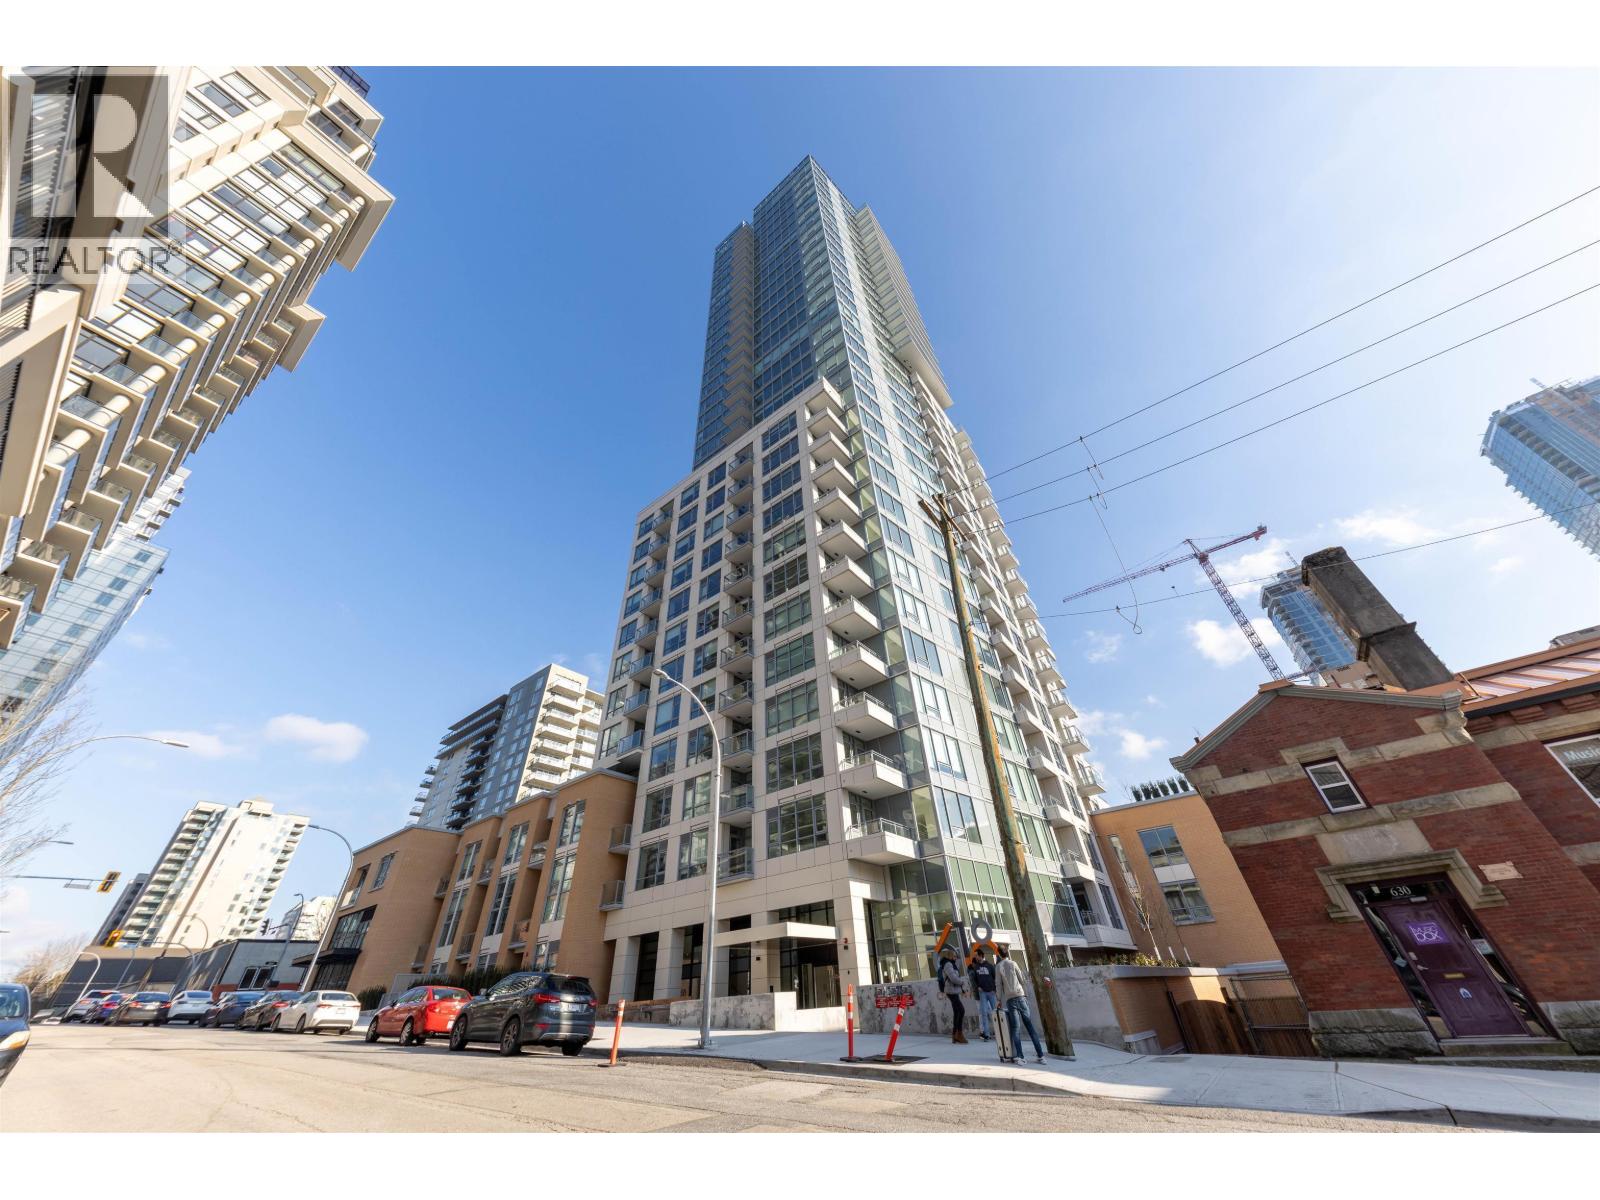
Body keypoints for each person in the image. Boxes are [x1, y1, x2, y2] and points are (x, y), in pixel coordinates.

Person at [994, 945, 1046, 1063]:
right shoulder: (1014, 963)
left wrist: (998, 1000)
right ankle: (1041, 1056)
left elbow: (998, 985)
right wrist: (1025, 995)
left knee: (1015, 1029)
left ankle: (1021, 1057)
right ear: (1007, 953)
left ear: (999, 954)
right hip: (1021, 996)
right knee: (1030, 1026)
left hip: (1010, 999)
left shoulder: (998, 967)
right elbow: (1022, 980)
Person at [937, 946, 968, 1044]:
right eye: (954, 956)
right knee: (961, 1010)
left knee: (957, 1012)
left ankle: (955, 1035)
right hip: (951, 991)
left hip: (954, 990)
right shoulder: (948, 964)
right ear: (950, 956)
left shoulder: (951, 964)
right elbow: (953, 978)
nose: (955, 958)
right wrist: (962, 982)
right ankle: (959, 1034)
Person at [968, 946, 999, 1042]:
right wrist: (978, 986)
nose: (975, 957)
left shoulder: (989, 966)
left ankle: (999, 1033)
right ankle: (986, 1034)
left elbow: (995, 977)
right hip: (982, 993)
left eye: (976, 955)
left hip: (991, 992)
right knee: (984, 1013)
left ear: (981, 955)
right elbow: (974, 980)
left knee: (995, 1013)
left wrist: (995, 989)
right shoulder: (976, 967)